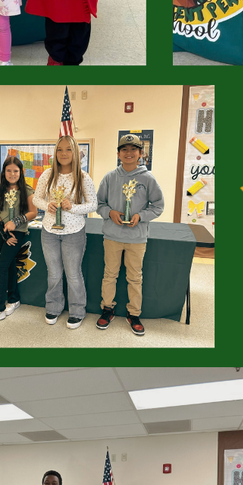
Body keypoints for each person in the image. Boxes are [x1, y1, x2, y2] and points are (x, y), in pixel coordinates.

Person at [95, 135, 164, 336]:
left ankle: (133, 313)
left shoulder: (148, 179)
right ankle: (107, 309)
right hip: (112, 236)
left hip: (137, 238)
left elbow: (158, 206)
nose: (129, 153)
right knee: (110, 275)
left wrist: (141, 216)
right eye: (124, 149)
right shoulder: (109, 178)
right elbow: (99, 204)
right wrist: (110, 213)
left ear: (141, 154)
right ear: (118, 154)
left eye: (133, 149)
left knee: (135, 277)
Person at [32, 135, 97, 327]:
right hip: (49, 232)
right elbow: (36, 199)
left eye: (68, 149)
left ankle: (77, 310)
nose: (64, 153)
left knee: (73, 274)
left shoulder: (83, 177)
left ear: (75, 152)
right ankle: (53, 307)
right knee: (53, 273)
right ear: (55, 153)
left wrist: (73, 207)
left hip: (74, 232)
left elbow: (93, 204)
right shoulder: (47, 174)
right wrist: (47, 205)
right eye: (60, 149)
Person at [0, 156, 37, 325]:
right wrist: (3, 230)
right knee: (9, 265)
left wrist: (15, 222)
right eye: (8, 170)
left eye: (15, 171)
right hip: (2, 231)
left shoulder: (27, 190)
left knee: (1, 267)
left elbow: (33, 212)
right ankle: (14, 299)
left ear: (20, 172)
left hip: (17, 232)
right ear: (4, 172)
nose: (12, 174)